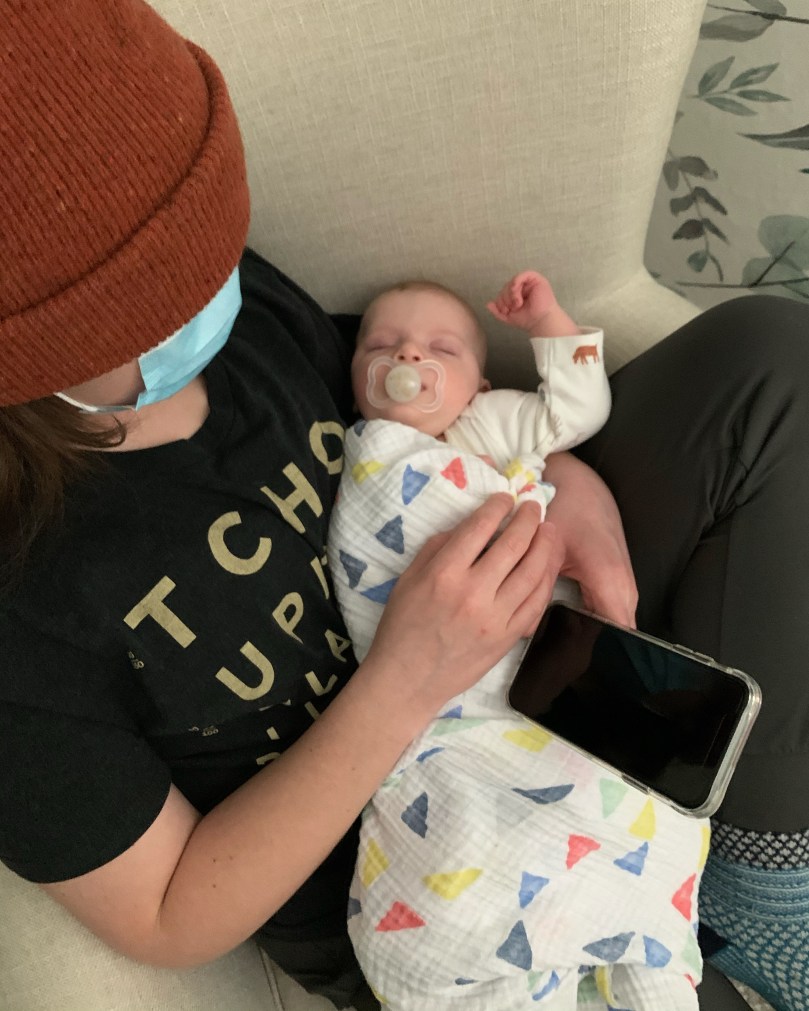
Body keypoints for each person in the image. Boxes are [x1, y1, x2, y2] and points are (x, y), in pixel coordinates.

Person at [1, 4, 807, 1011]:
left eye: (206, 243)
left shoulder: (235, 307)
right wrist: (404, 680)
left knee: (767, 364)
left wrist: (570, 493)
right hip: (437, 877)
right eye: (148, 298)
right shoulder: (28, 592)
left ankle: (764, 895)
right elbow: (166, 915)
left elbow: (419, 411)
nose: (210, 289)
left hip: (560, 666)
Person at [328, 275, 707, 1009]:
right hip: (439, 709)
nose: (407, 356)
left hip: (528, 669)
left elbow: (576, 412)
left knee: (632, 806)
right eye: (381, 345)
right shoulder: (350, 454)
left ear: (477, 384)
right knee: (462, 841)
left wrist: (549, 324)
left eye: (440, 348)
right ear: (353, 381)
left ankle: (646, 964)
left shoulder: (481, 430)